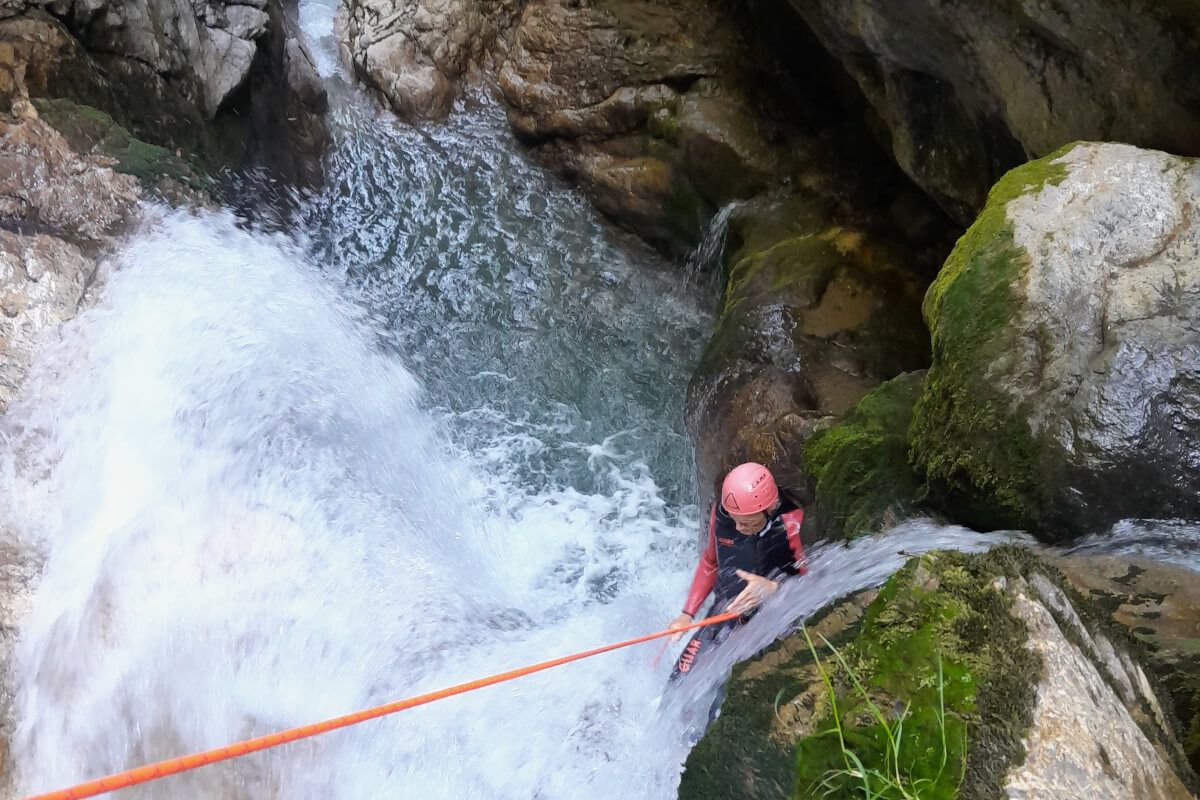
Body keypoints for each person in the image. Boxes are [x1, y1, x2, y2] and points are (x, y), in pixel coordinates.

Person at [667, 462, 806, 682]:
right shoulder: (722, 515)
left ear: (769, 510)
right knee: (678, 679)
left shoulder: (788, 525)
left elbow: (809, 586)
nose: (740, 529)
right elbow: (710, 562)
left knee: (723, 697)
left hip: (764, 623)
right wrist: (687, 614)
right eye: (736, 521)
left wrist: (773, 587)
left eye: (748, 524)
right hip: (722, 612)